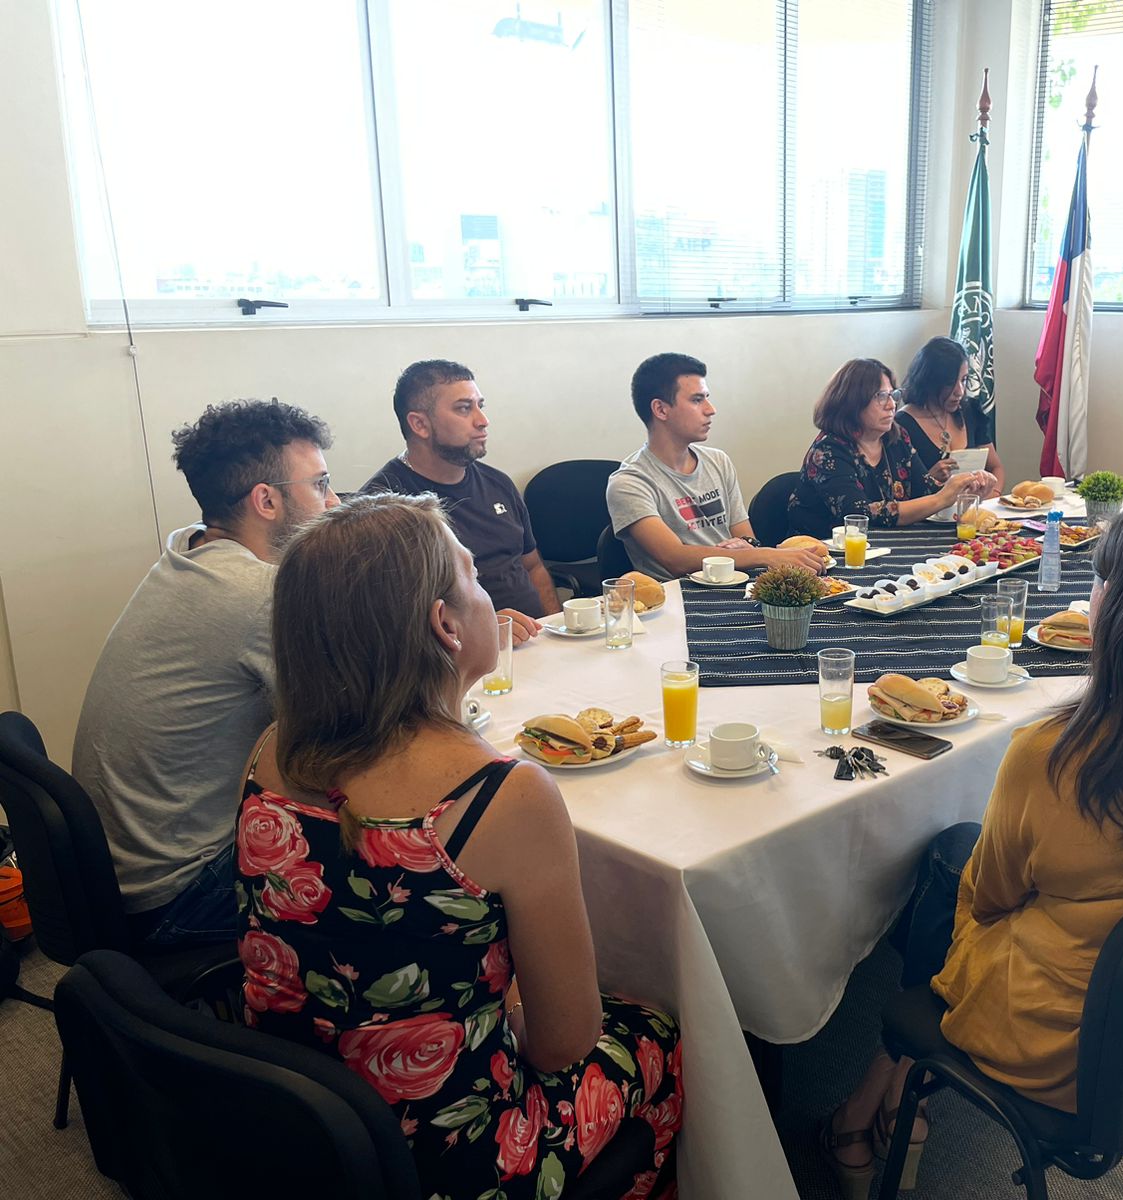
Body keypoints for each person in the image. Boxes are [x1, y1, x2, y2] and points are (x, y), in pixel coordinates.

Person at [822, 497, 1123, 1199]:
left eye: (1099, 582)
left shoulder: (1057, 755)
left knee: (943, 868)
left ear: (1117, 610)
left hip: (1069, 1050)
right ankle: (893, 1096)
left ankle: (894, 1089)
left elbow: (987, 903)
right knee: (960, 858)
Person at [236, 494, 682, 1199]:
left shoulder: (271, 749)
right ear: (443, 624)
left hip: (297, 1117)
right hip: (453, 1155)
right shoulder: (500, 795)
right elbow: (565, 1040)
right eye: (474, 578)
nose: (485, 596)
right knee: (657, 1030)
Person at [73, 400, 339, 945]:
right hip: (180, 892)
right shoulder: (256, 595)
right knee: (404, 859)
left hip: (116, 874)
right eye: (320, 486)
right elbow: (352, 732)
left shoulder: (190, 551)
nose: (334, 503)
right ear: (266, 500)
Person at [362, 360, 553, 635]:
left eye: (480, 406)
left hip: (536, 643)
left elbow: (533, 567)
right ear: (419, 424)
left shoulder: (498, 483)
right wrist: (482, 630)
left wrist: (554, 625)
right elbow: (391, 620)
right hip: (461, 664)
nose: (482, 421)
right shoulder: (384, 507)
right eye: (464, 408)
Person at [607, 352, 827, 578]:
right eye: (696, 400)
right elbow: (675, 559)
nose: (711, 409)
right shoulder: (628, 483)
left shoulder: (718, 461)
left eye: (706, 397)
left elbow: (745, 537)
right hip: (681, 597)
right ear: (661, 409)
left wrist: (749, 547)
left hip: (734, 583)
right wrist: (765, 555)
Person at [787, 358, 992, 539]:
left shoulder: (896, 437)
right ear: (852, 402)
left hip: (886, 545)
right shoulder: (828, 451)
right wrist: (941, 498)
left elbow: (927, 489)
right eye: (880, 396)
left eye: (893, 395)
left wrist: (968, 489)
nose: (891, 405)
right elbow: (861, 515)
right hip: (825, 557)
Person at [894, 336, 1004, 498]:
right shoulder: (902, 423)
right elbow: (899, 493)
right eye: (950, 383)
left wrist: (990, 497)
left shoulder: (970, 410)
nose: (959, 391)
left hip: (974, 511)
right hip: (928, 518)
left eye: (964, 380)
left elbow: (996, 468)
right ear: (929, 381)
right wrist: (929, 480)